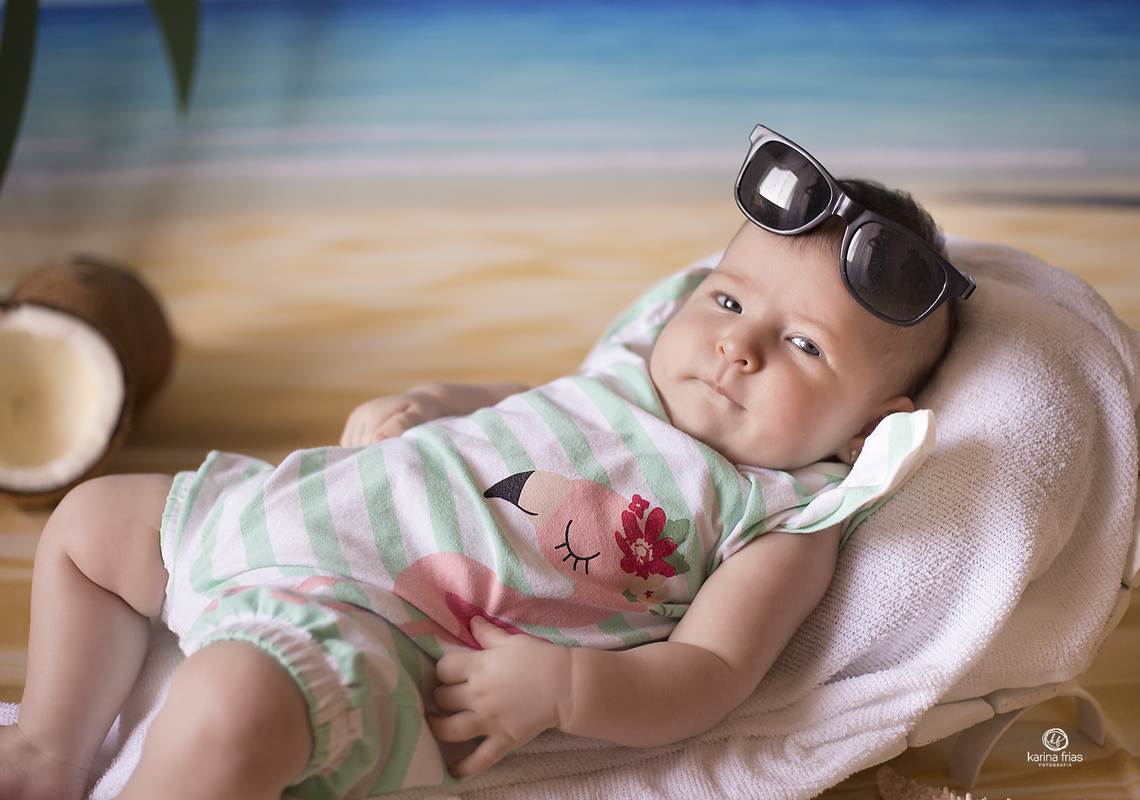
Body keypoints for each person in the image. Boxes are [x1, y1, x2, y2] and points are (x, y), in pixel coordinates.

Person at [0, 126, 972, 800]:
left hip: (368, 624)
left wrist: (565, 692)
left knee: (231, 702)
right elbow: (504, 402)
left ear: (866, 428)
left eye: (803, 346)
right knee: (90, 525)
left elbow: (709, 670)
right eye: (726, 302)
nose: (736, 346)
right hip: (275, 510)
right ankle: (49, 746)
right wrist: (428, 400)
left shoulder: (777, 515)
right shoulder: (626, 368)